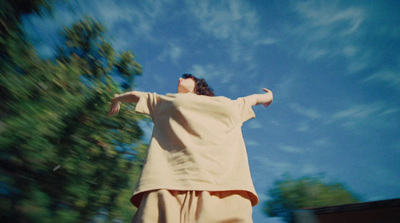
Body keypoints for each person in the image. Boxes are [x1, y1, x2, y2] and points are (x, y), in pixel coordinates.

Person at [109, 74, 273, 223]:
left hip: (226, 190)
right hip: (167, 188)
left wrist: (268, 96)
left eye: (185, 77)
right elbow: (137, 96)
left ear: (197, 84)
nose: (179, 79)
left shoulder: (229, 104)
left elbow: (253, 99)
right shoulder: (166, 101)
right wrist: (118, 98)